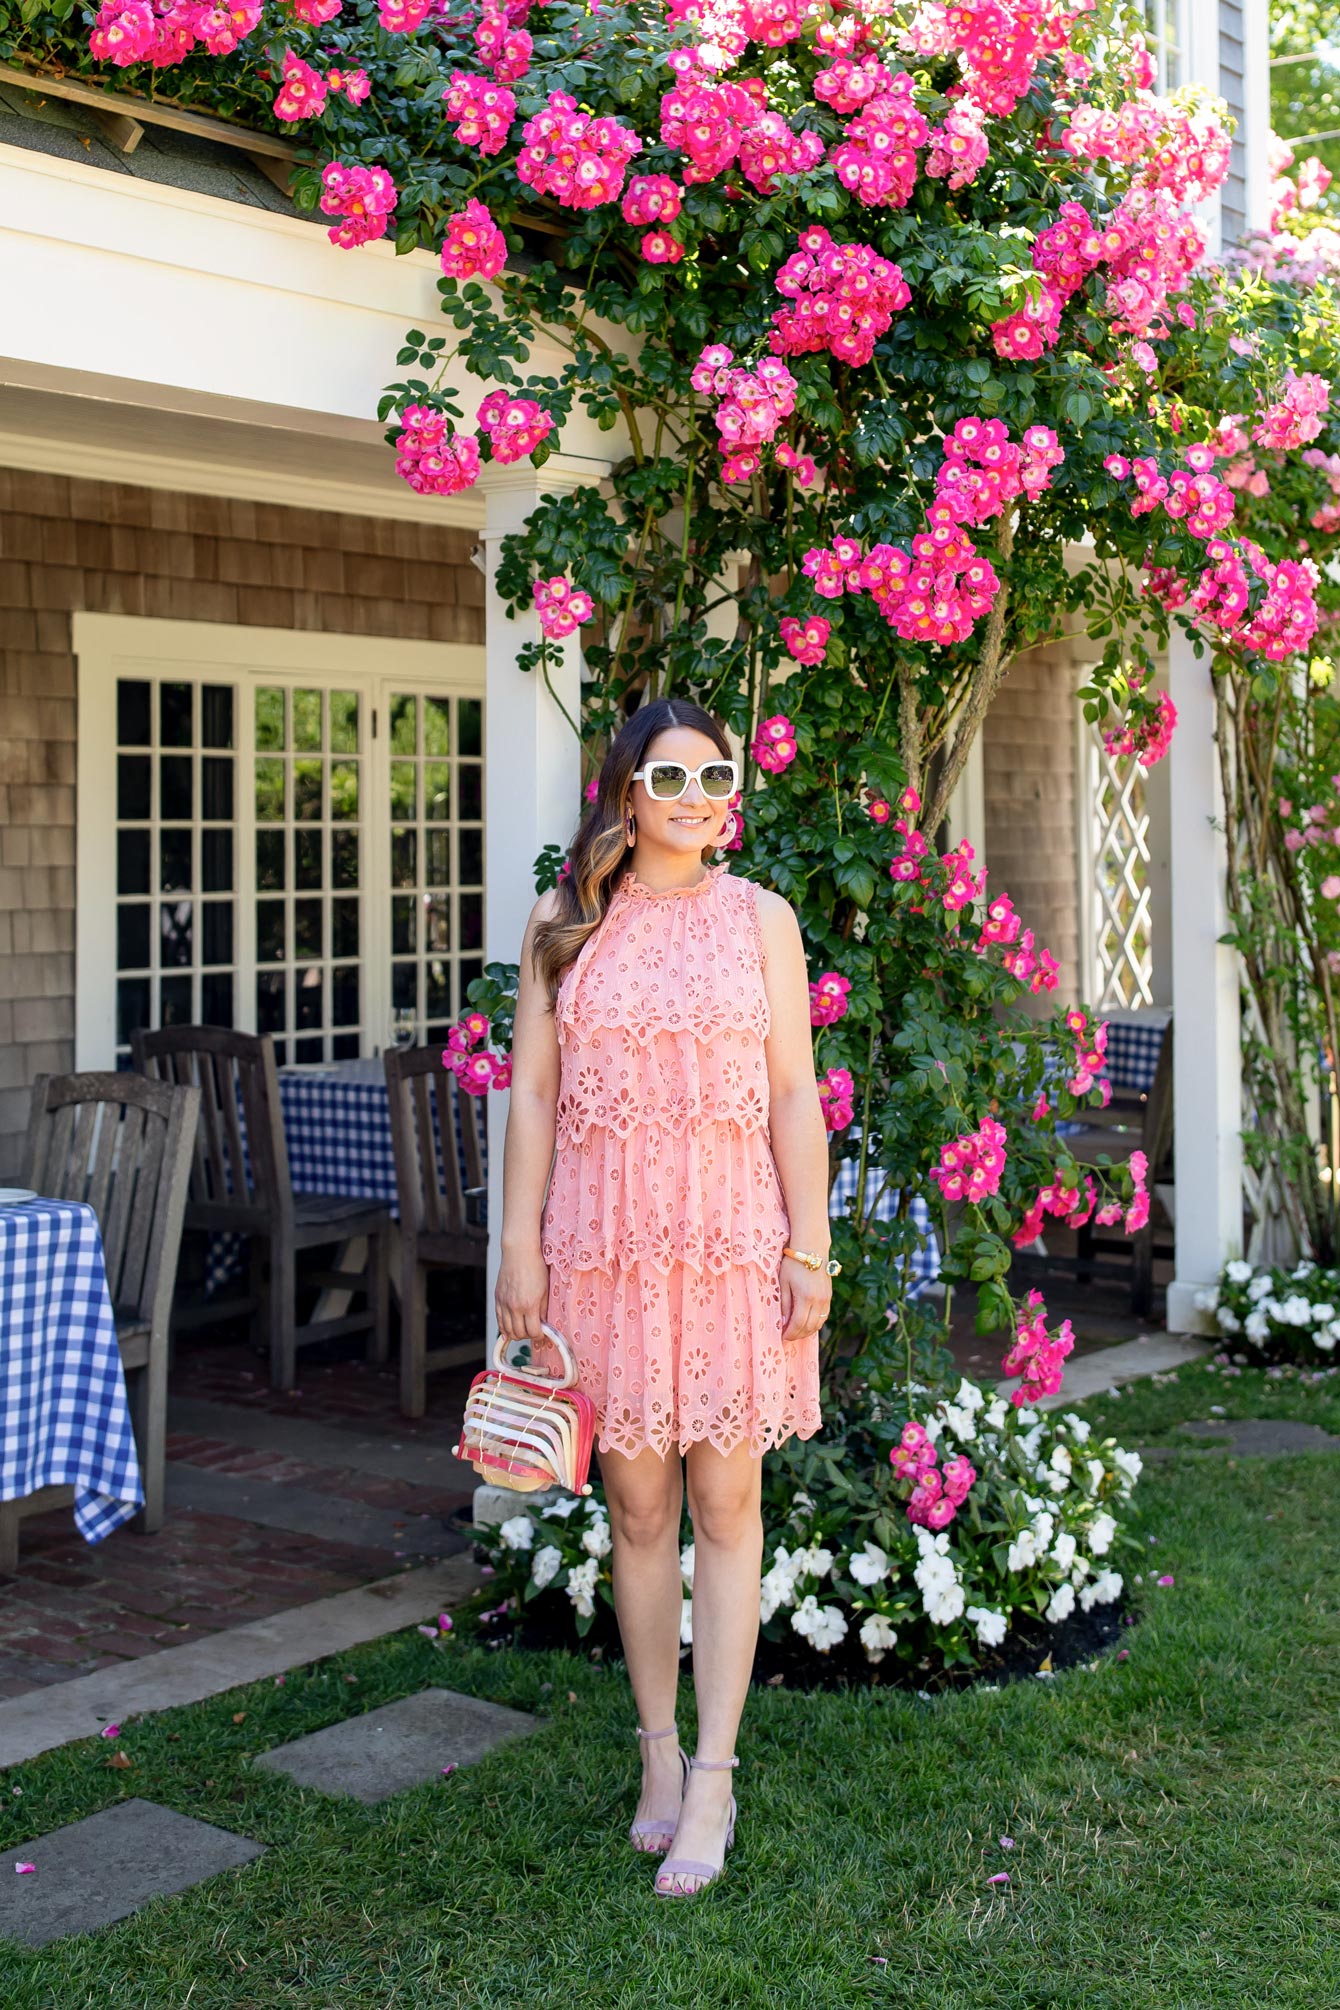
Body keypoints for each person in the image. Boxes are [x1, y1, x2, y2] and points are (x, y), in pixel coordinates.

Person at [494, 697, 834, 1898]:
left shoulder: (763, 922)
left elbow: (795, 1094)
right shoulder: (564, 919)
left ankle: (714, 1777)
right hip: (602, 1250)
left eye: (714, 776)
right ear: (625, 792)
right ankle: (652, 1753)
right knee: (637, 1511)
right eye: (670, 778)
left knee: (726, 1503)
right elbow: (531, 1099)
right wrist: (517, 1247)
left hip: (733, 1246)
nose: (696, 799)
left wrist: (811, 1247)